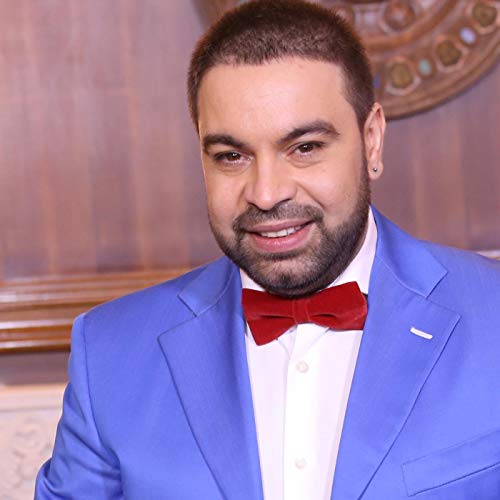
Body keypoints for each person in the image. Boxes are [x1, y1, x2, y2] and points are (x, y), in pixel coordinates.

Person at [36, 1, 500, 498]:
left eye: (305, 148)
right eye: (231, 156)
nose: (266, 192)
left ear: (371, 141)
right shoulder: (109, 354)